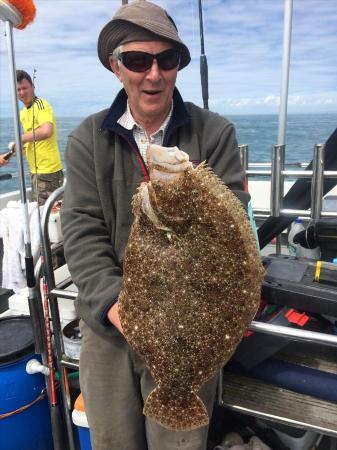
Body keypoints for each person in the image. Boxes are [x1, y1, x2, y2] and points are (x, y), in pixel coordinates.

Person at [61, 2, 249, 450]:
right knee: (113, 442)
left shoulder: (214, 134)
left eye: (167, 61)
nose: (154, 74)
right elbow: (82, 230)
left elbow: (235, 228)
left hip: (189, 328)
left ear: (178, 67)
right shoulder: (88, 139)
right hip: (110, 327)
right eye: (138, 60)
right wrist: (114, 305)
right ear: (116, 66)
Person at [0, 70, 63, 205]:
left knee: (48, 215)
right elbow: (29, 144)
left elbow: (47, 131)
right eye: (18, 89)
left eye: (24, 88)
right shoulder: (23, 113)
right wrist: (8, 155)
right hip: (35, 173)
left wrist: (21, 137)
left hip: (48, 172)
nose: (22, 92)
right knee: (42, 213)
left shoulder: (41, 105)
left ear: (33, 87)